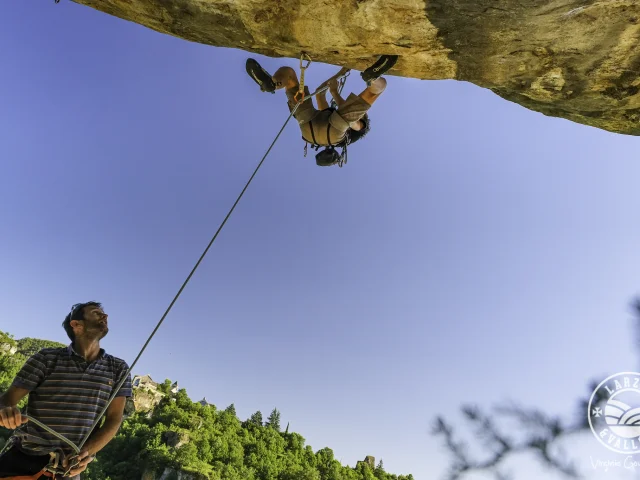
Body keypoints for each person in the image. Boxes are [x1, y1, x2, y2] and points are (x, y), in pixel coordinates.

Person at [0, 301, 132, 479]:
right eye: (96, 313)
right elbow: (7, 400)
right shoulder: (46, 358)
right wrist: (6, 412)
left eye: (104, 313)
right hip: (23, 459)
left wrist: (87, 453)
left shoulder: (119, 368)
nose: (105, 316)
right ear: (76, 324)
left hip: (69, 469)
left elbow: (114, 419)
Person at [246, 54, 398, 165]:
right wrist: (340, 73)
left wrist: (335, 91)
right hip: (308, 129)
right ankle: (272, 84)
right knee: (289, 76)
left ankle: (372, 78)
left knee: (375, 90)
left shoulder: (356, 131)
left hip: (330, 130)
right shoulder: (328, 125)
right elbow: (321, 94)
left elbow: (353, 122)